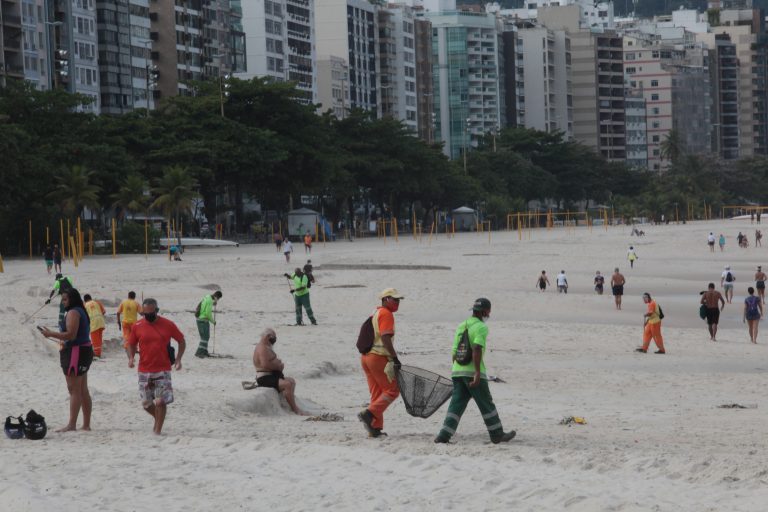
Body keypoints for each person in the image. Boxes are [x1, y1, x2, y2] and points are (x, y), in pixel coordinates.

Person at [435, 298, 516, 444]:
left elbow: (454, 352)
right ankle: (497, 434)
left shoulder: (461, 325)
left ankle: (444, 435)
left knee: (456, 404)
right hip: (472, 372)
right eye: (489, 311)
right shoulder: (481, 327)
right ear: (485, 311)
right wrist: (477, 372)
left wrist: (458, 370)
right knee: (486, 403)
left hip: (457, 372)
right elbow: (477, 348)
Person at [127, 298, 186, 435]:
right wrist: (131, 358)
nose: (148, 317)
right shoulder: (137, 325)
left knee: (160, 401)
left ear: (157, 311)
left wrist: (178, 359)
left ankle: (157, 430)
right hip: (144, 370)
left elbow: (181, 341)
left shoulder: (168, 324)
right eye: (145, 314)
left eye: (151, 314)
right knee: (147, 404)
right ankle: (158, 419)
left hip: (162, 370)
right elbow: (131, 343)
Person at [40, 288, 93, 433]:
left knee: (74, 390)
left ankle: (72, 424)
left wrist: (50, 333)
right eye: (62, 299)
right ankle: (86, 425)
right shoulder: (80, 310)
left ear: (72, 299)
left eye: (65, 299)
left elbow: (71, 335)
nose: (63, 302)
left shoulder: (73, 312)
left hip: (76, 352)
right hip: (85, 349)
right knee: (83, 390)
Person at [359, 288, 404, 438]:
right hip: (378, 357)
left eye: (398, 300)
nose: (397, 303)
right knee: (393, 391)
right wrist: (394, 357)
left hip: (366, 358)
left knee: (377, 393)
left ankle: (375, 428)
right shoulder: (386, 314)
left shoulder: (376, 312)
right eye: (394, 299)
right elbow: (385, 337)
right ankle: (369, 413)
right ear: (385, 300)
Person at [253, 328, 305, 415]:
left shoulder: (267, 346)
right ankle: (295, 409)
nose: (275, 339)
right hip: (264, 377)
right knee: (287, 385)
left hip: (272, 375)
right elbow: (265, 364)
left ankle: (288, 403)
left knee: (291, 381)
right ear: (267, 336)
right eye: (274, 337)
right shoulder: (262, 348)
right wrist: (278, 366)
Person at [194, 290, 222, 358]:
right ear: (216, 297)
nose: (217, 300)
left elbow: (204, 304)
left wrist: (213, 303)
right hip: (203, 320)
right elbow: (208, 313)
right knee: (205, 337)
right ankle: (199, 352)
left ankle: (204, 351)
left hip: (200, 319)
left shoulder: (208, 296)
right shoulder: (210, 301)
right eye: (218, 299)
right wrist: (213, 321)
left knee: (206, 336)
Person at [83, 294, 106, 358]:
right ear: (91, 298)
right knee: (99, 338)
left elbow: (84, 316)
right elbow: (104, 311)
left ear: (85, 300)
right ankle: (98, 352)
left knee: (95, 339)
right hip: (101, 322)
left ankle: (97, 354)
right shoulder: (97, 302)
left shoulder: (85, 305)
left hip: (93, 323)